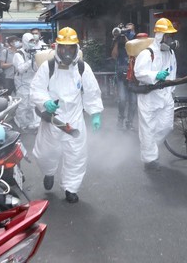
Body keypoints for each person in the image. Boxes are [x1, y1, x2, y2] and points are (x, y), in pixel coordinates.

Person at [30, 27, 103, 203]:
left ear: (76, 48)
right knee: (45, 154)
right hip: (52, 120)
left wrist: (95, 114)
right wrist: (45, 101)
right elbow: (36, 89)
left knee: (76, 155)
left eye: (71, 48)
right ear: (58, 47)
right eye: (64, 47)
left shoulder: (82, 68)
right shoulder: (48, 67)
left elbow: (92, 91)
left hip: (74, 120)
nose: (67, 52)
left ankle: (71, 188)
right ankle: (49, 172)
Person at [134, 18, 178, 171]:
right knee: (148, 129)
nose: (170, 39)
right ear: (159, 35)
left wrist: (170, 91)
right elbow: (139, 72)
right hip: (149, 97)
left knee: (167, 126)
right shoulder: (148, 53)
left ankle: (151, 148)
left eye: (170, 36)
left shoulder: (170, 52)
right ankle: (150, 160)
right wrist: (155, 75)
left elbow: (173, 71)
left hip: (165, 96)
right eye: (167, 35)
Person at [111, 22, 137, 131]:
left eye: (129, 31)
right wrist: (117, 42)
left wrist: (127, 41)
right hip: (121, 75)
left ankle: (129, 122)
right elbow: (114, 56)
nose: (127, 32)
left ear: (133, 31)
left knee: (133, 101)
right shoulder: (118, 41)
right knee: (122, 99)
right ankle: (120, 120)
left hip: (133, 76)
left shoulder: (135, 41)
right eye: (126, 30)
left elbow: (134, 54)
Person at [13, 32, 40, 132]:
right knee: (23, 105)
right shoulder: (18, 54)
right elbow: (20, 69)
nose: (32, 43)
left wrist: (37, 58)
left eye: (33, 41)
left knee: (32, 104)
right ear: (24, 41)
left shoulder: (33, 53)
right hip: (22, 83)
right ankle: (21, 124)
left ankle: (32, 123)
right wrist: (31, 60)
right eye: (30, 41)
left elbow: (36, 68)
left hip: (32, 82)